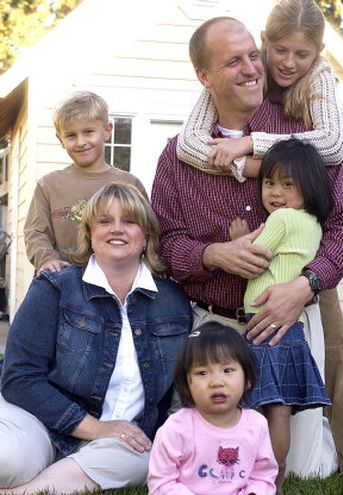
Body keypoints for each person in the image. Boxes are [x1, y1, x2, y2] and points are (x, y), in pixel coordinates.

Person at [151, 15, 343, 487]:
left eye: (251, 56)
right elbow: (167, 244)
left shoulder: (303, 139)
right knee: (206, 453)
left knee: (307, 468)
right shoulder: (180, 153)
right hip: (217, 325)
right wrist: (213, 255)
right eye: (233, 61)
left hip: (290, 323)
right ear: (204, 77)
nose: (251, 68)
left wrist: (304, 286)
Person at [0, 183, 192, 494]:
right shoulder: (56, 287)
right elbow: (19, 378)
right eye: (105, 221)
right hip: (40, 422)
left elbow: (176, 391)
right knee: (7, 460)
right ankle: (53, 475)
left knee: (143, 457)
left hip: (120, 441)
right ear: (90, 234)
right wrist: (95, 428)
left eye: (129, 221)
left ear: (146, 236)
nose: (117, 229)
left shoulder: (173, 300)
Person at [240, 138, 333, 489]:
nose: (275, 192)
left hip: (263, 325)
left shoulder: (279, 219)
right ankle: (275, 478)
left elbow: (250, 262)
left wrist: (240, 238)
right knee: (280, 408)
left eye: (287, 184)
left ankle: (261, 476)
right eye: (269, 183)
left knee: (261, 406)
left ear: (308, 187)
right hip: (290, 328)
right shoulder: (313, 224)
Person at [177, 0, 343, 177]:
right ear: (265, 40)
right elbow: (189, 142)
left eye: (301, 55)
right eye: (280, 50)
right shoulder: (249, 68)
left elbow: (332, 143)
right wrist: (245, 166)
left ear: (319, 50)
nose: (289, 63)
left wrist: (251, 143)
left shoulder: (319, 73)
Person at [24, 90, 147, 275]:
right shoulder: (48, 185)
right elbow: (36, 233)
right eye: (71, 135)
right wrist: (48, 259)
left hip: (116, 283)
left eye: (88, 132)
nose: (81, 142)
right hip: (61, 283)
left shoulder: (130, 184)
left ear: (107, 131)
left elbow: (147, 233)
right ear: (60, 140)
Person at [147, 322, 278, 494]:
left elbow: (262, 475)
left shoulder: (256, 424)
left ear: (248, 379)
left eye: (227, 370)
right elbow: (161, 483)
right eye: (202, 373)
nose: (216, 382)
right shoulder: (176, 428)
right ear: (186, 383)